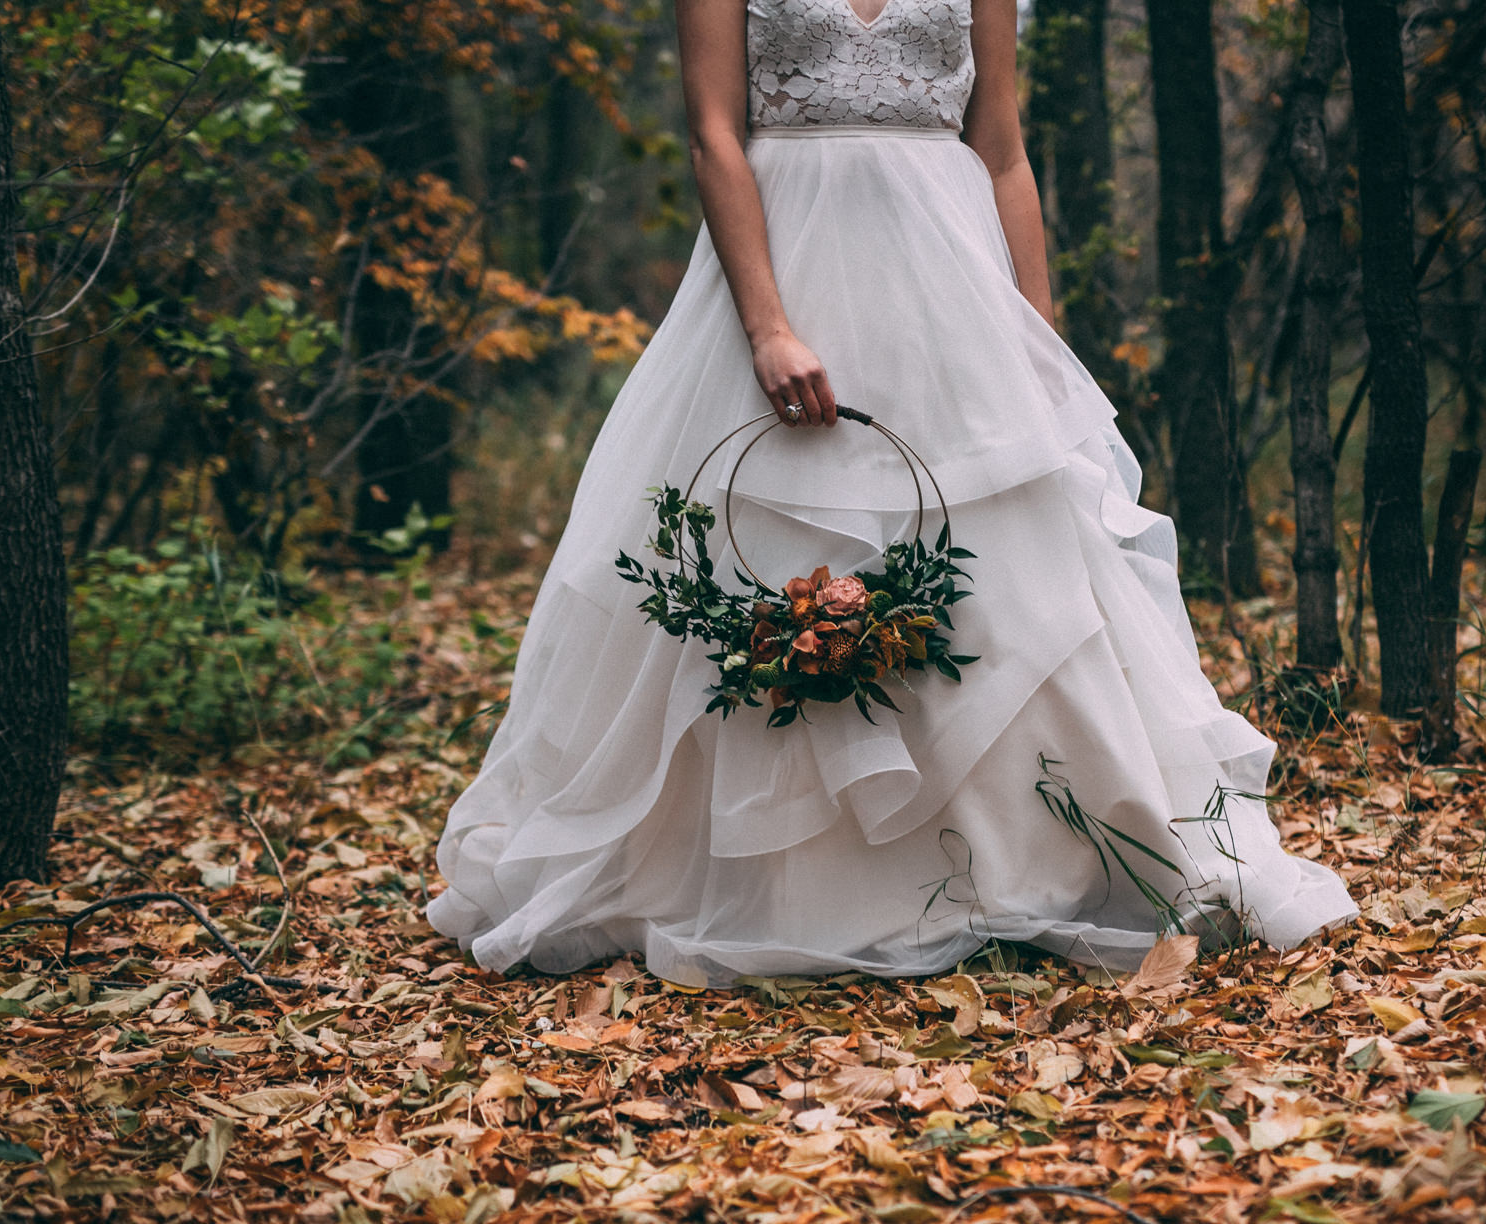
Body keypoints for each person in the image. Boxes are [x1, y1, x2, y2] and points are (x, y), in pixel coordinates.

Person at [427, 0, 1356, 988]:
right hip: (784, 266)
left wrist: (1032, 342)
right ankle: (791, 889)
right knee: (764, 549)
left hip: (948, 286)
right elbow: (711, 133)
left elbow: (999, 149)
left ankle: (1020, 867)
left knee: (1007, 565)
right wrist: (768, 328)